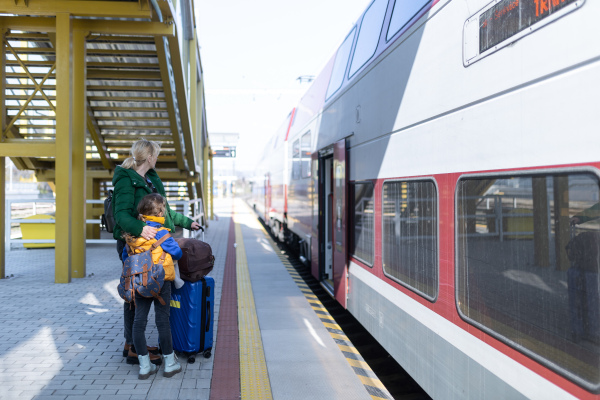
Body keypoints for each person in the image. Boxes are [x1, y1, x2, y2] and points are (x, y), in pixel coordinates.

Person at [112, 139, 200, 370]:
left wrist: (189, 223)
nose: (157, 159)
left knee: (139, 293)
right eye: (157, 155)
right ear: (149, 157)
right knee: (134, 293)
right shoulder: (126, 179)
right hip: (135, 245)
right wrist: (141, 228)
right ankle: (132, 345)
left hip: (155, 246)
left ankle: (134, 345)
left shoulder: (150, 179)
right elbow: (121, 215)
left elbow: (166, 212)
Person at [122, 193, 183, 379]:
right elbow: (178, 253)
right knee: (162, 321)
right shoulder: (162, 233)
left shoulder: (133, 235)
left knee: (139, 322)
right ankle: (170, 363)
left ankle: (144, 366)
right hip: (160, 281)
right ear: (160, 212)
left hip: (140, 282)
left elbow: (126, 259)